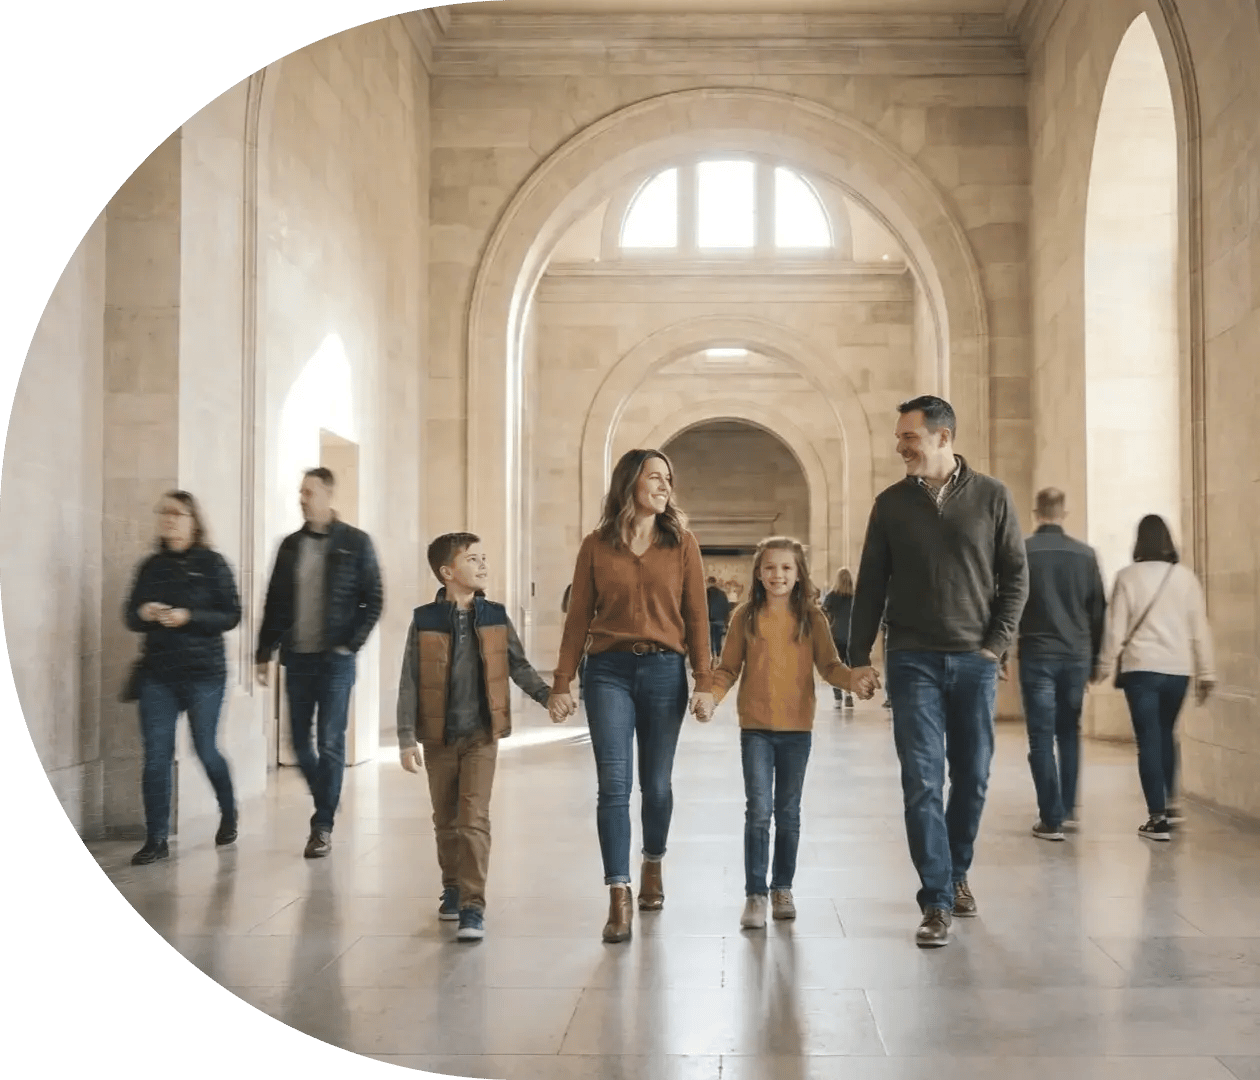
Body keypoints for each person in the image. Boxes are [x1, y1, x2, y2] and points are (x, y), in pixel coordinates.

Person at [848, 395, 1028, 948]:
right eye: (900, 437)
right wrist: (857, 658)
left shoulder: (993, 497)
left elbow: (1015, 578)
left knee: (971, 778)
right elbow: (871, 584)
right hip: (912, 659)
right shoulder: (890, 504)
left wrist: (994, 647)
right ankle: (936, 899)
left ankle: (956, 871)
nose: (901, 446)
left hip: (974, 659)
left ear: (943, 437)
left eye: (910, 437)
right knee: (922, 780)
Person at [549, 448, 713, 943]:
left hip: (665, 672)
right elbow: (578, 617)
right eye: (655, 477)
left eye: (669, 478)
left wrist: (705, 680)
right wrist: (561, 682)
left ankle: (653, 864)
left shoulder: (682, 544)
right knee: (614, 786)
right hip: (608, 672)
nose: (665, 486)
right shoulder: (596, 545)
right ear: (630, 483)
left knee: (656, 786)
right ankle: (618, 895)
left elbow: (699, 615)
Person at [711, 537, 877, 930]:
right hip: (755, 729)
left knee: (788, 813)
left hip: (796, 730)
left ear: (799, 573)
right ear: (758, 573)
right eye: (770, 567)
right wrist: (711, 696)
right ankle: (755, 893)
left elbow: (830, 667)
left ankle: (781, 886)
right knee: (758, 811)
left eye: (786, 568)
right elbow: (728, 668)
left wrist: (855, 681)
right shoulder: (745, 617)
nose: (778, 575)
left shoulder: (813, 618)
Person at [397, 533, 552, 941]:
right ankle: (451, 886)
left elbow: (518, 666)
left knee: (473, 816)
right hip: (438, 736)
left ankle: (472, 905)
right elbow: (409, 681)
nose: (483, 565)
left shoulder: (496, 616)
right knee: (445, 819)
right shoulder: (425, 619)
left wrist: (548, 697)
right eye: (472, 559)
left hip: (483, 733)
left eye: (484, 558)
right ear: (448, 572)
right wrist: (405, 737)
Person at [256, 467, 383, 859]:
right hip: (298, 658)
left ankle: (322, 825)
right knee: (298, 741)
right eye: (300, 492)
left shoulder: (355, 543)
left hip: (335, 661)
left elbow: (373, 599)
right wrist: (263, 652)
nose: (302, 498)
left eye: (309, 491)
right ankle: (327, 797)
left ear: (328, 494)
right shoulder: (290, 545)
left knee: (330, 742)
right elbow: (275, 601)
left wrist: (351, 644)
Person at [123, 491, 241, 865]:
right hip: (158, 675)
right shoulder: (150, 566)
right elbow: (129, 615)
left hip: (205, 674)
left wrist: (189, 617)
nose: (169, 520)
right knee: (156, 756)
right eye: (165, 513)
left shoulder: (213, 563)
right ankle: (156, 838)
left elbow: (231, 615)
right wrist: (144, 610)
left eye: (178, 514)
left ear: (194, 521)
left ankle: (229, 811)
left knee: (205, 749)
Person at [1094, 514, 1215, 841]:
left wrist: (1103, 665)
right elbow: (1199, 629)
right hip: (1178, 670)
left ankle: (1157, 817)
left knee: (1147, 739)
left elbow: (1115, 628)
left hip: (1141, 670)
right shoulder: (1186, 578)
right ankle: (1172, 804)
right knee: (1167, 734)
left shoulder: (1127, 577)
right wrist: (1207, 672)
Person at [1017, 487, 1106, 840]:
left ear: (1037, 513)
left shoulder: (1023, 553)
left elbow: (1010, 603)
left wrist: (1003, 651)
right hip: (1076, 655)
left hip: (1037, 655)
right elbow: (1098, 612)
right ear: (1063, 513)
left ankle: (1050, 817)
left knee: (1040, 737)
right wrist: (1096, 660)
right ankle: (1067, 808)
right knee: (1070, 732)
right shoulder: (1085, 555)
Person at [821, 567, 856, 707]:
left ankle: (837, 698)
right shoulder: (856, 597)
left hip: (835, 635)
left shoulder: (832, 596)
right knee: (849, 667)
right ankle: (848, 695)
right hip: (852, 636)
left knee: (836, 667)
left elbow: (823, 613)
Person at [707, 576, 732, 659]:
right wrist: (726, 621)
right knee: (718, 639)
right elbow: (727, 608)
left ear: (708, 582)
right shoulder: (722, 594)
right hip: (720, 620)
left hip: (709, 620)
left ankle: (711, 657)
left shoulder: (706, 593)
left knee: (709, 639)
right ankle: (718, 656)